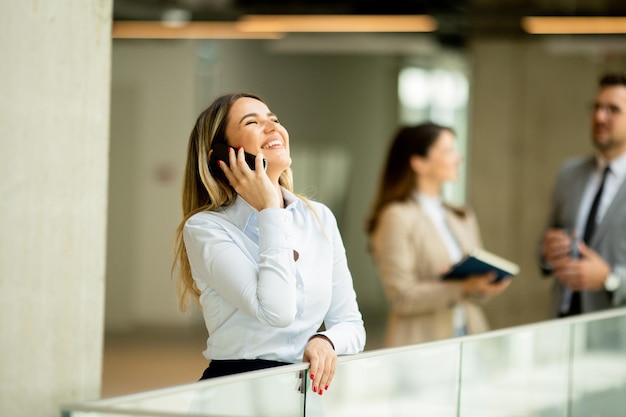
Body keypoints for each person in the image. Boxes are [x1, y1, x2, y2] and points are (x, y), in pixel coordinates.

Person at [173, 92, 366, 394]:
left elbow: (352, 325)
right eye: (253, 122)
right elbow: (278, 312)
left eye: (274, 120)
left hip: (303, 393)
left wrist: (325, 340)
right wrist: (270, 212)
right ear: (220, 156)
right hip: (236, 392)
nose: (272, 127)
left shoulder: (319, 218)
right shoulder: (206, 228)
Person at [366, 122, 511, 347]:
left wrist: (484, 284)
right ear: (419, 163)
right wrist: (463, 287)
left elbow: (475, 292)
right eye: (448, 151)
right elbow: (401, 297)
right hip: (421, 346)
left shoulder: (462, 215)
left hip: (469, 338)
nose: (458, 157)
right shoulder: (396, 217)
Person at [539, 72, 626, 318]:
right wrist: (547, 253)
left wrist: (611, 280)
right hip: (563, 321)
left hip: (615, 331)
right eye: (597, 107)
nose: (599, 117)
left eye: (613, 110)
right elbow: (544, 246)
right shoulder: (570, 173)